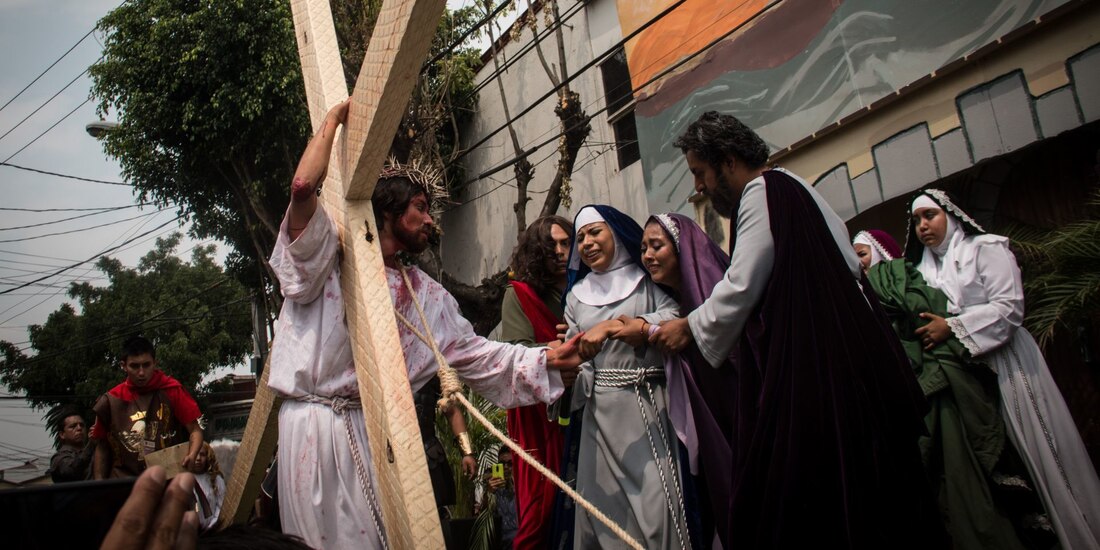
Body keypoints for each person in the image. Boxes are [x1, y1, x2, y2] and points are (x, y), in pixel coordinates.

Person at [269, 99, 582, 549]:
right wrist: (332, 123)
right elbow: (302, 187)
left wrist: (547, 360)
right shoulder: (328, 257)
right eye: (420, 206)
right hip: (312, 428)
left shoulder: (427, 296)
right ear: (389, 210)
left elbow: (480, 356)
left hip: (374, 429)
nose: (431, 220)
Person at [650, 111, 942, 548]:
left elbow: (742, 282)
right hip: (854, 367)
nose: (699, 187)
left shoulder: (763, 192)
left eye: (700, 172)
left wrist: (690, 326)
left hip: (819, 377)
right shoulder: (798, 186)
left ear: (728, 160)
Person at [907, 189, 1100, 549]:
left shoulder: (985, 248)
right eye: (916, 220)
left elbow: (1009, 307)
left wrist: (953, 326)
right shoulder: (920, 271)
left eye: (929, 215)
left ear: (950, 215)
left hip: (1006, 359)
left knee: (1036, 444)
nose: (922, 226)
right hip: (964, 375)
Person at [858, 226, 1036, 550]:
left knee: (963, 474)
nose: (860, 264)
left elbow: (928, 315)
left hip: (952, 376)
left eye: (862, 254)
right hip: (919, 386)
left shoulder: (893, 275)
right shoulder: (875, 287)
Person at [562, 204, 689, 549]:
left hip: (647, 406)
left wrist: (617, 326)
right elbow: (577, 356)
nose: (586, 243)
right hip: (599, 417)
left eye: (595, 232)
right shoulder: (575, 297)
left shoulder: (645, 281)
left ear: (616, 235)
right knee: (606, 513)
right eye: (581, 237)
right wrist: (567, 370)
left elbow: (678, 316)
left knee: (658, 505)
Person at [639, 212, 734, 549]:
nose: (648, 255)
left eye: (657, 245)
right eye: (644, 248)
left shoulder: (713, 300)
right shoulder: (677, 305)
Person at [499, 214, 572, 549]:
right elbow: (517, 352)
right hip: (538, 415)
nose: (559, 251)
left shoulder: (587, 289)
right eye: (550, 245)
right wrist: (553, 350)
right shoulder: (520, 295)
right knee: (539, 511)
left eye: (565, 243)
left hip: (586, 406)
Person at [92, 335, 204, 480]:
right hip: (122, 482)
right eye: (134, 366)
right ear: (123, 365)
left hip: (167, 478)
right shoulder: (110, 400)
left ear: (155, 363)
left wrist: (192, 454)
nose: (141, 373)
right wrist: (98, 485)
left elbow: (195, 430)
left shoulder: (172, 390)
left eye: (146, 365)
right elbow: (101, 446)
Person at [189, 442, 226, 533]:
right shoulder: (184, 478)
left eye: (202, 455)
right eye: (195, 454)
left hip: (211, 531)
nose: (198, 459)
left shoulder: (216, 479)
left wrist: (211, 528)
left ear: (208, 457)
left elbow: (221, 507)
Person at [49, 409, 94, 483]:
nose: (79, 428)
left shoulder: (95, 451)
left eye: (82, 425)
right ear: (62, 434)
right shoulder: (58, 458)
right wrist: (91, 444)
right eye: (73, 426)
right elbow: (71, 470)